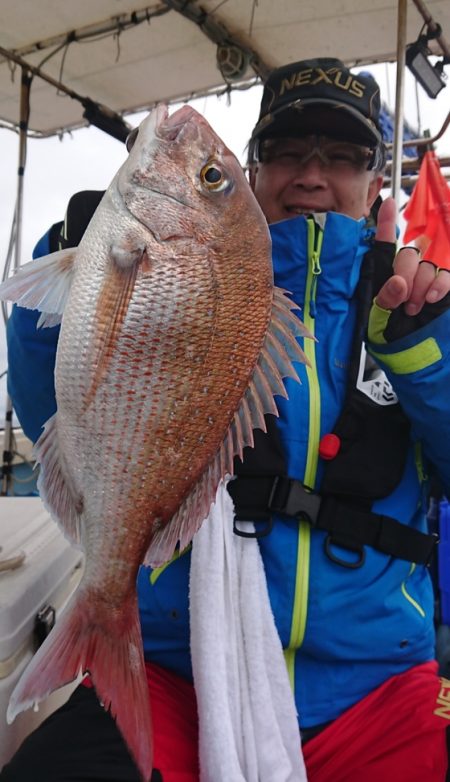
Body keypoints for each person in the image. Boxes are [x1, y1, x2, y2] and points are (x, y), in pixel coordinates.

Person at [2, 57, 450, 782]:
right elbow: (47, 407)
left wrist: (429, 355)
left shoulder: (415, 306)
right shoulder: (194, 278)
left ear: (374, 184)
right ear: (255, 168)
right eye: (287, 151)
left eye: (342, 156)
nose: (312, 173)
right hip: (182, 668)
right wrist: (70, 262)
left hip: (379, 689)